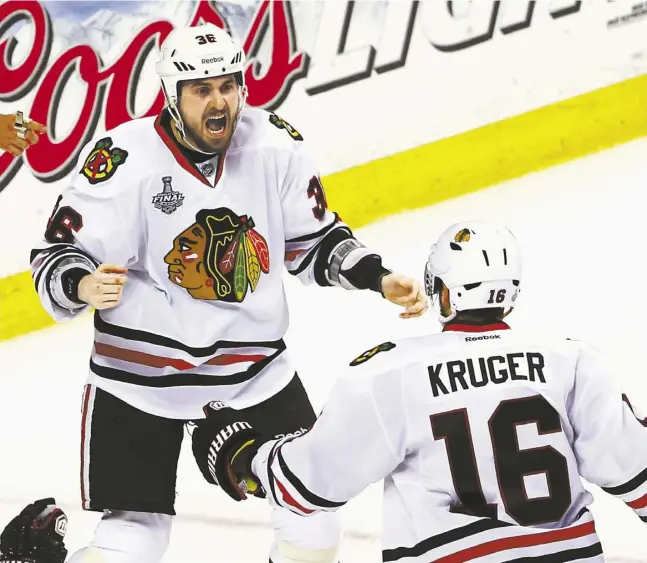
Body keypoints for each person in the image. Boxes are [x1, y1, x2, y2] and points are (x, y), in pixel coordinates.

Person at [27, 22, 427, 563]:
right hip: (142, 379)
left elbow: (313, 240)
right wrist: (82, 282)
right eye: (201, 89)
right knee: (134, 537)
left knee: (311, 510)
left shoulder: (274, 145)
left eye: (228, 85)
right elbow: (57, 254)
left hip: (253, 370)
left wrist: (375, 276)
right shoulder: (124, 160)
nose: (219, 101)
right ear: (172, 95)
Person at [198, 221, 647, 563]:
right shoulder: (570, 362)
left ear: (444, 294)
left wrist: (245, 454)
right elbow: (637, 471)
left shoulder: (392, 372)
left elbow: (312, 481)